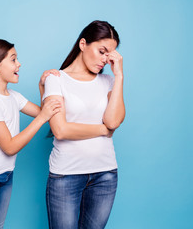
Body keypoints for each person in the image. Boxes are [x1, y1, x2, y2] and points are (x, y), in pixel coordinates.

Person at [0, 39, 61, 229]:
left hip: (6, 174)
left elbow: (45, 112)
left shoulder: (14, 97)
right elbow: (9, 147)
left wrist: (42, 86)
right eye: (13, 59)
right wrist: (41, 118)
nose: (19, 64)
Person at [43, 20, 125, 229]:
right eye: (101, 51)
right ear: (82, 44)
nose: (105, 60)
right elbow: (60, 130)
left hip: (105, 175)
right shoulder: (56, 79)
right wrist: (103, 130)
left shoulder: (109, 81)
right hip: (66, 176)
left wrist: (119, 76)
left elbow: (114, 121)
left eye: (110, 55)